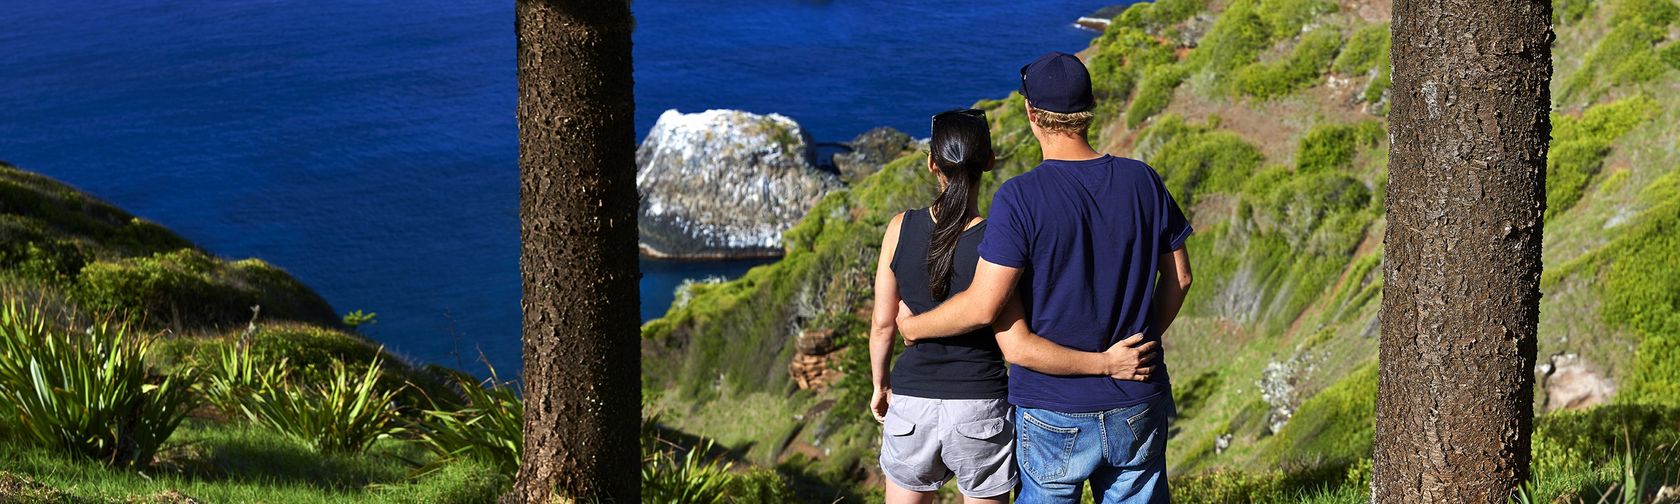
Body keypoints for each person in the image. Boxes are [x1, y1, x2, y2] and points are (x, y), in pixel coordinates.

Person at [896, 52, 1195, 504]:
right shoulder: (1143, 180)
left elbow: (986, 310)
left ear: (1032, 114)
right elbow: (1181, 278)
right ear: (1089, 108)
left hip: (1053, 407)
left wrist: (913, 326)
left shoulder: (1020, 197)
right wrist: (1138, 341)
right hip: (1138, 396)